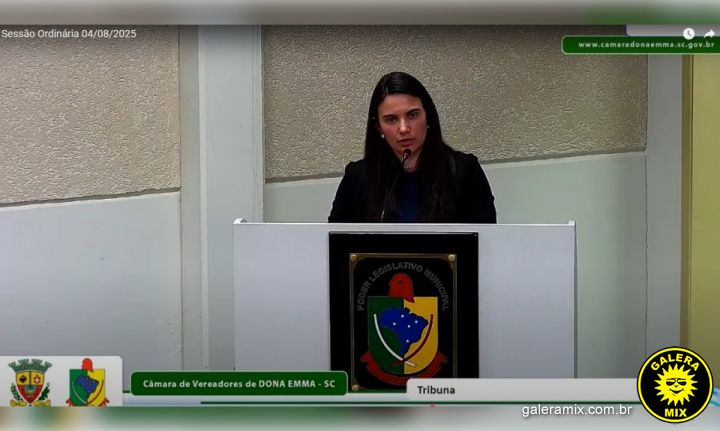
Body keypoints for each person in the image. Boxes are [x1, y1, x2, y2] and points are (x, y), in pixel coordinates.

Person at [328, 72, 497, 223]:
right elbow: (334, 241)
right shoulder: (357, 177)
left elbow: (486, 239)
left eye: (412, 115)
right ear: (378, 127)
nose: (403, 128)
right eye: (391, 119)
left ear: (428, 117)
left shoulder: (465, 171)